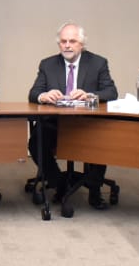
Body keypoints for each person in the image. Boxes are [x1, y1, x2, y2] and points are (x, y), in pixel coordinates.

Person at [28, 22, 118, 210]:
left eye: (72, 41)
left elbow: (111, 92)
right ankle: (59, 183)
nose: (67, 45)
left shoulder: (98, 63)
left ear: (82, 44)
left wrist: (90, 95)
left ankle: (95, 190)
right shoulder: (48, 64)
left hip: (87, 124)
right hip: (55, 124)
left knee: (103, 138)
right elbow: (33, 93)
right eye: (63, 41)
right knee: (35, 143)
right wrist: (44, 95)